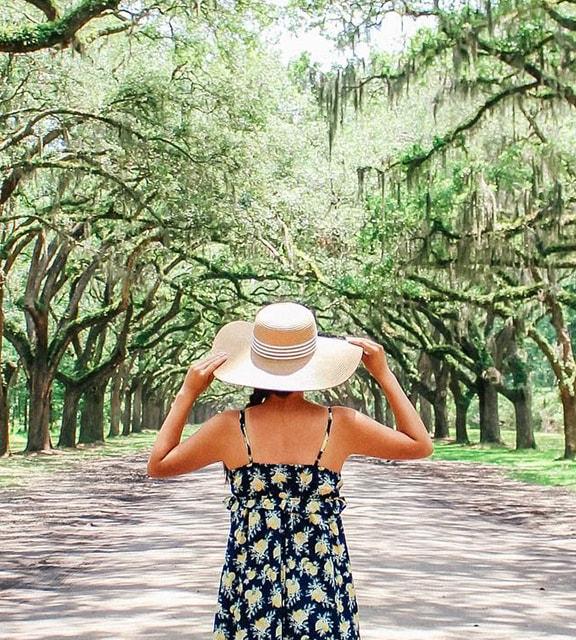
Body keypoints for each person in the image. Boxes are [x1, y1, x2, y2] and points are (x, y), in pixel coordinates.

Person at [147, 302, 433, 640]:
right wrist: (383, 373)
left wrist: (187, 392)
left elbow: (159, 464)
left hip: (251, 580)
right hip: (321, 581)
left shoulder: (230, 427)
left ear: (254, 364)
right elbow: (419, 444)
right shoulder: (338, 424)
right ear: (311, 364)